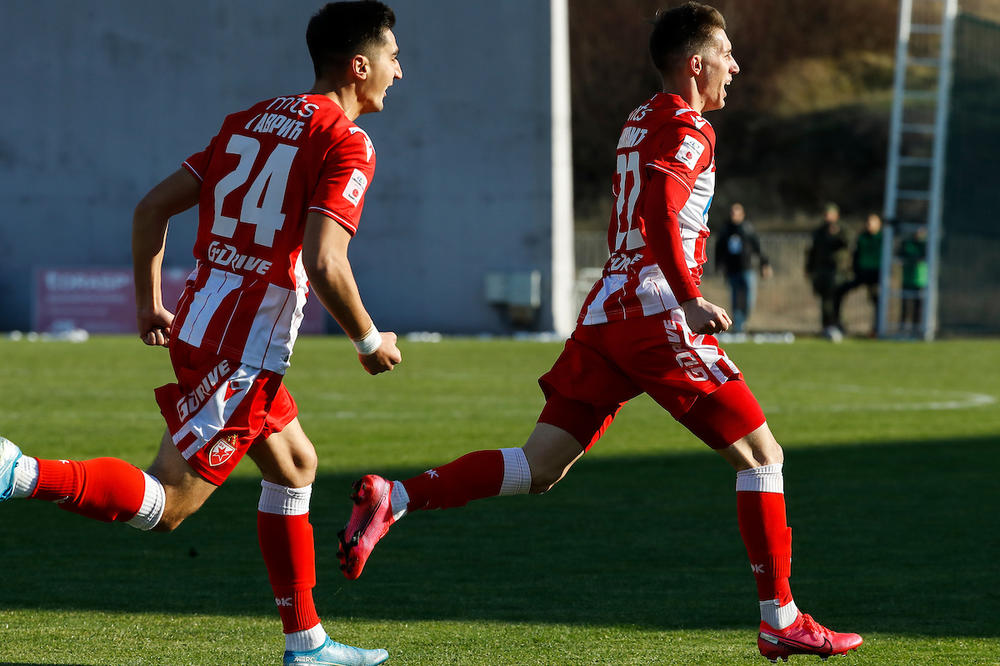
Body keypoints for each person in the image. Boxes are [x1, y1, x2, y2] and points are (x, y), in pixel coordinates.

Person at [336, 3, 863, 663]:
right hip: (652, 313)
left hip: (606, 314)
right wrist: (690, 297)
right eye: (726, 53)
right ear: (695, 63)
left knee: (539, 466)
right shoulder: (690, 127)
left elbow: (648, 205)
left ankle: (400, 496)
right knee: (763, 456)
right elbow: (662, 212)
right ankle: (781, 617)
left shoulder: (642, 118)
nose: (736, 65)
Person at [0, 3, 402, 664]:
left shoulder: (249, 119)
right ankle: (20, 471)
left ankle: (306, 643)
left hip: (204, 318)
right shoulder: (346, 141)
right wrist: (368, 340)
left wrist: (146, 303)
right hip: (242, 344)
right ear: (359, 66)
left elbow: (152, 207)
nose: (398, 70)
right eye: (392, 56)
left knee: (296, 464)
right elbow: (327, 261)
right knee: (170, 502)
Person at [715, 202, 771, 333]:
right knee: (735, 299)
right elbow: (719, 249)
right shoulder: (726, 230)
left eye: (737, 213)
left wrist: (765, 264)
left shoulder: (747, 229)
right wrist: (719, 266)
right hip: (732, 270)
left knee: (748, 299)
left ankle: (743, 320)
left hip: (747, 269)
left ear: (742, 215)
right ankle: (738, 326)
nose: (734, 216)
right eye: (732, 213)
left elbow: (758, 247)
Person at [805, 202, 850, 341]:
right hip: (822, 270)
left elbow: (848, 243)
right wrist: (809, 268)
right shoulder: (819, 231)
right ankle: (827, 327)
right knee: (825, 300)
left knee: (836, 300)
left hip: (838, 271)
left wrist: (837, 234)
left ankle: (837, 325)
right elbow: (812, 251)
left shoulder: (843, 229)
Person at [837, 213, 883, 336]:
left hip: (876, 275)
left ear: (879, 224)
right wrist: (854, 270)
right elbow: (855, 255)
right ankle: (838, 324)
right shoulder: (861, 237)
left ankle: (877, 329)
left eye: (872, 222)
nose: (869, 225)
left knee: (878, 300)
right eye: (867, 222)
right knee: (839, 291)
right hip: (862, 273)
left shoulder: (883, 238)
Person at [899, 226, 928, 334]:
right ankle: (902, 328)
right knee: (905, 306)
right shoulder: (907, 244)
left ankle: (916, 329)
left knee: (918, 307)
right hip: (907, 279)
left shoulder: (926, 244)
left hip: (921, 280)